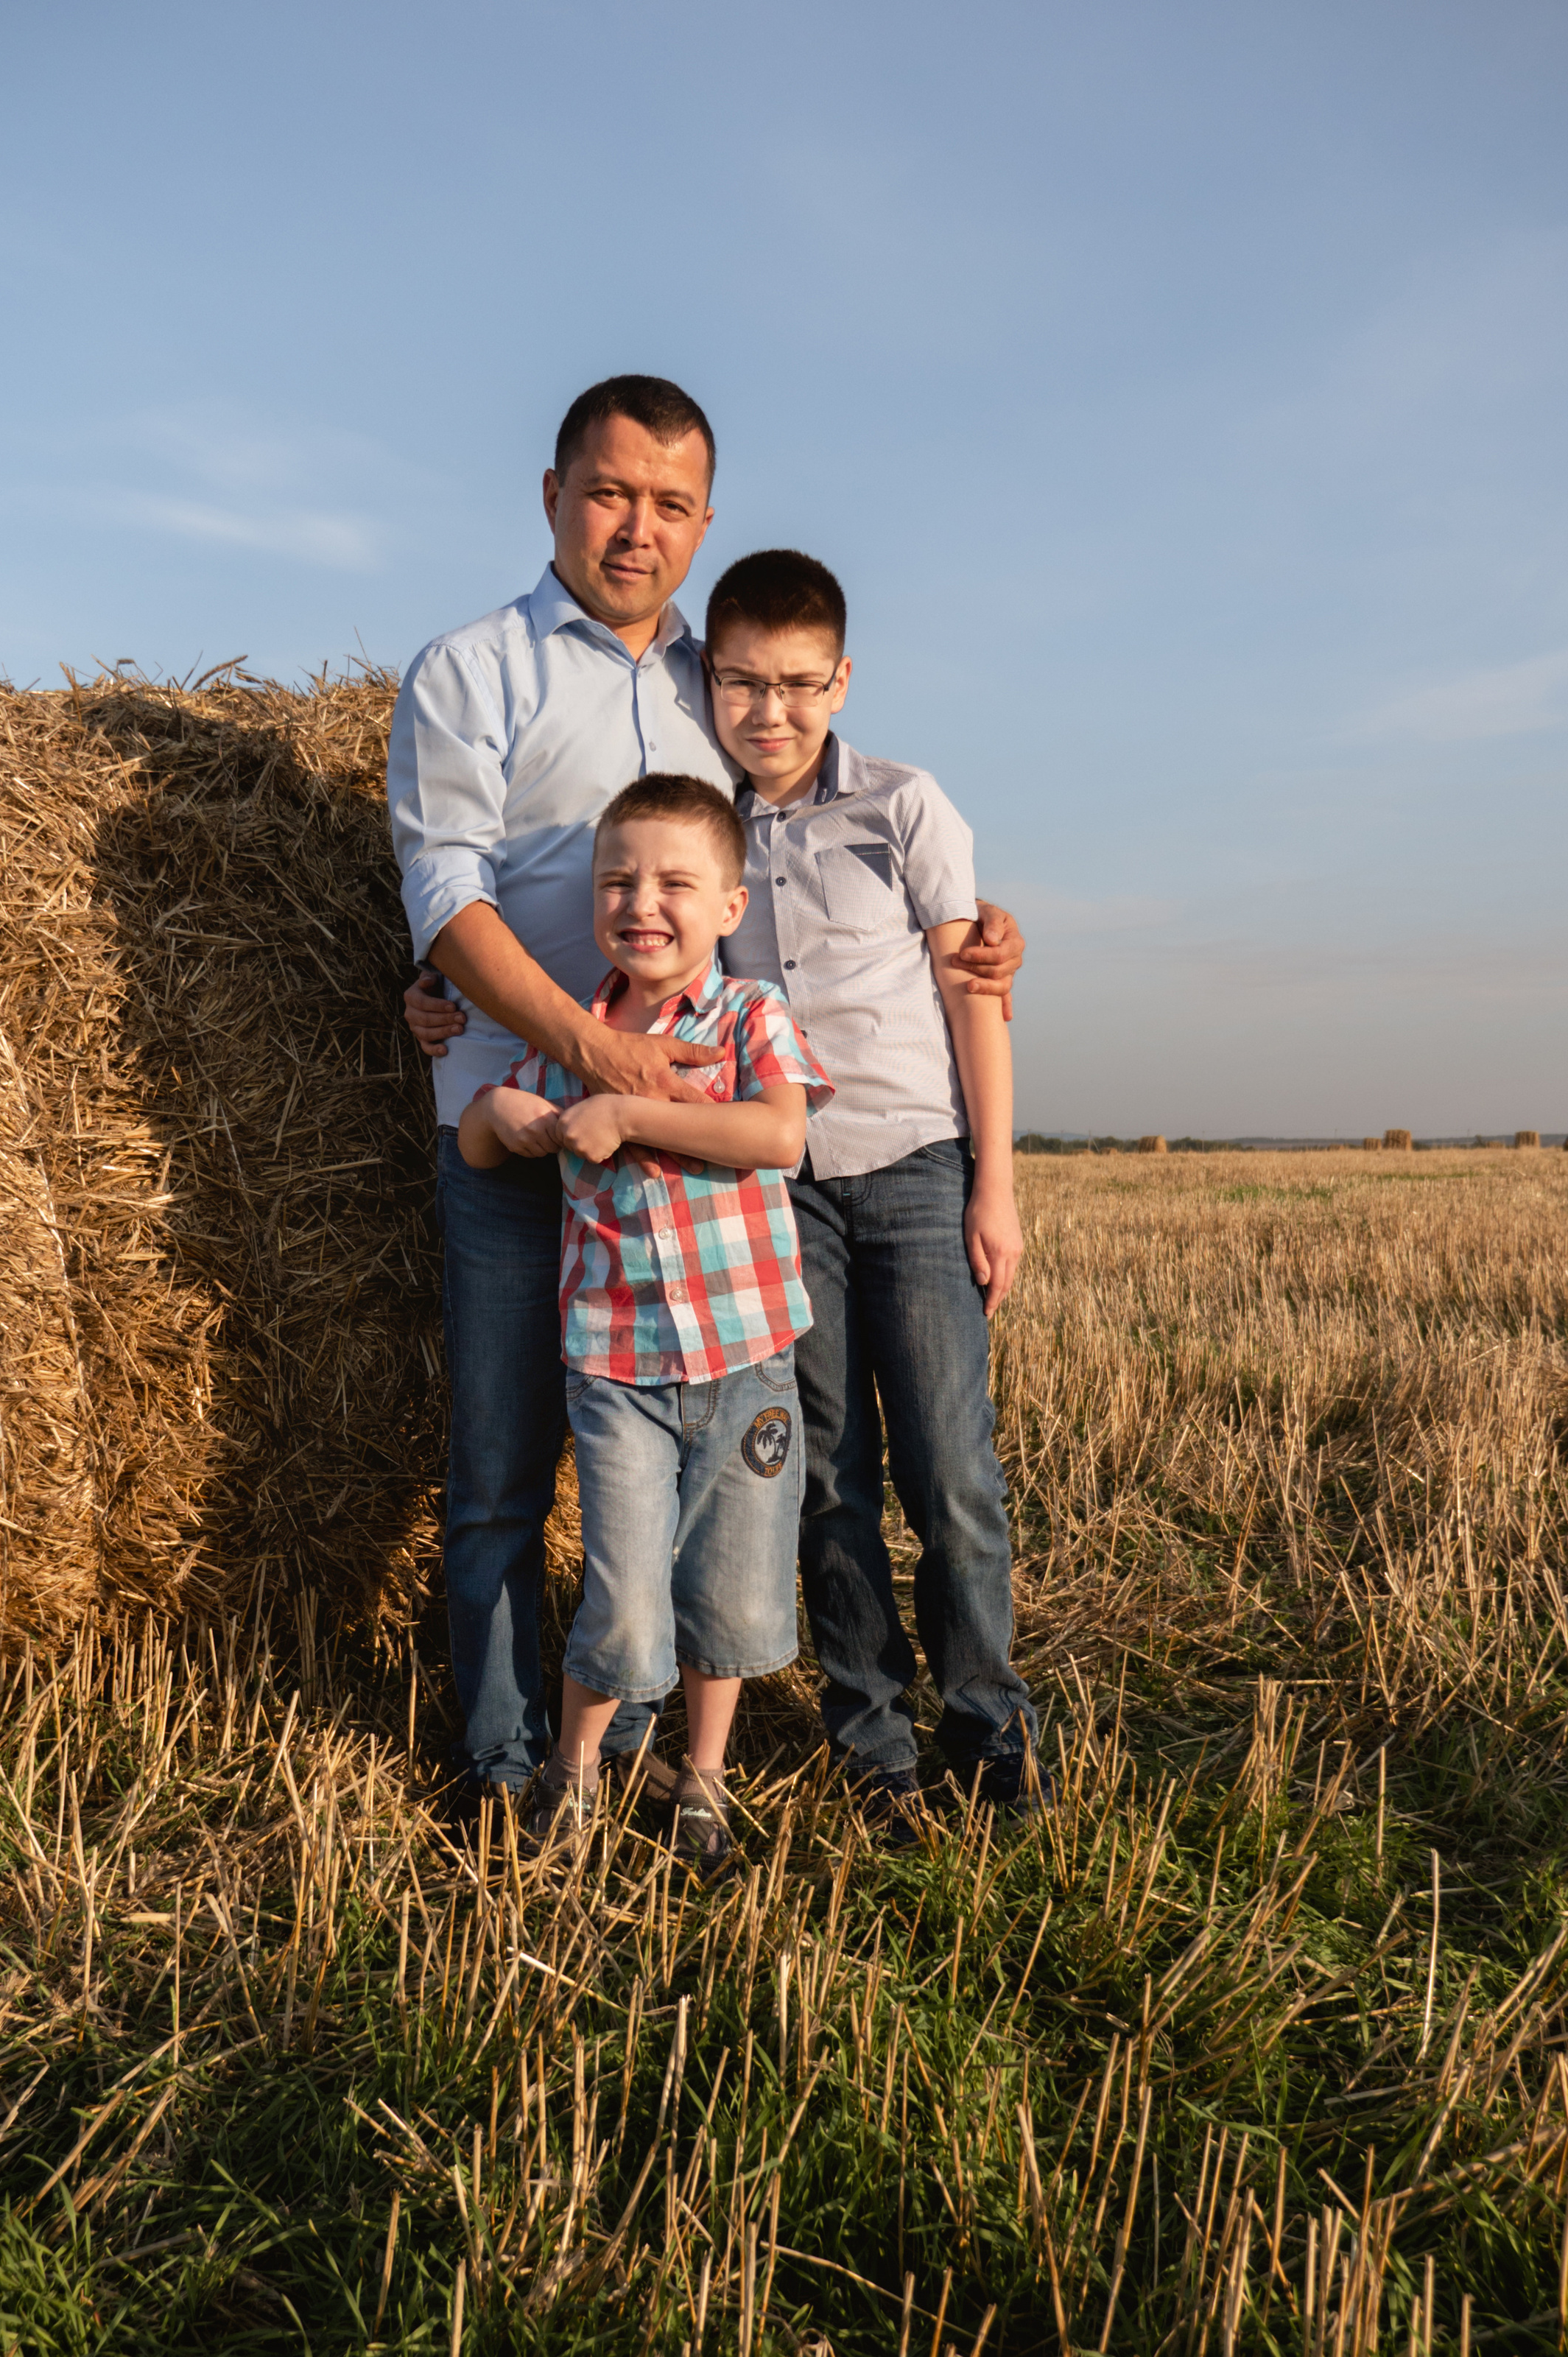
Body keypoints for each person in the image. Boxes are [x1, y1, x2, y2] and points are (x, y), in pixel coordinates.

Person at [390, 373, 1026, 1808]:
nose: (636, 527)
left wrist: (980, 934)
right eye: (610, 492)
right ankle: (508, 1772)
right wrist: (502, 1011)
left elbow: (822, 842)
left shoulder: (712, 682)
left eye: (670, 504)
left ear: (702, 522)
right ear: (551, 494)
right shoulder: (468, 671)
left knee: (717, 1477)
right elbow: (445, 893)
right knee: (502, 1474)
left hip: (700, 1162)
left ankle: (664, 1746)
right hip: (519, 1131)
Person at [708, 548, 1048, 1822]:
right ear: (712, 679)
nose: (771, 712)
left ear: (842, 679)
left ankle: (987, 1720)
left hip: (914, 1168)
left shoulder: (905, 807)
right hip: (782, 1185)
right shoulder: (704, 827)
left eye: (799, 685)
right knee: (826, 1468)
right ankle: (872, 1738)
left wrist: (994, 1186)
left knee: (953, 1469)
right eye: (743, 684)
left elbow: (979, 996)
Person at [457, 776, 830, 1866]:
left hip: (746, 1359)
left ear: (729, 905)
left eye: (675, 882)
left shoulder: (748, 1015)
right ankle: (575, 1774)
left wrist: (629, 1113)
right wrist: (501, 1111)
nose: (642, 902)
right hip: (615, 1369)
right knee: (622, 1594)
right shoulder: (576, 1037)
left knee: (734, 1589)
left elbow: (778, 1137)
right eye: (618, 880)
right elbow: (483, 1146)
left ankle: (703, 1779)